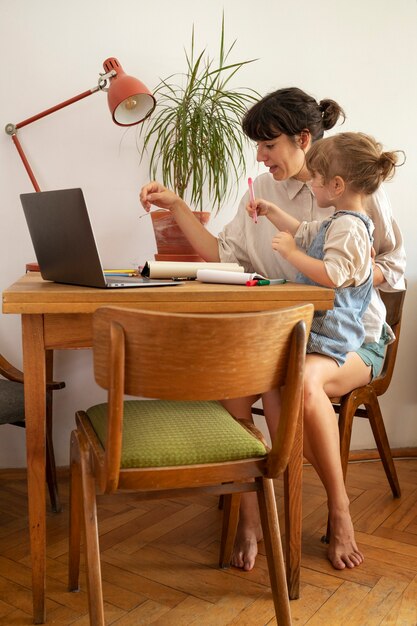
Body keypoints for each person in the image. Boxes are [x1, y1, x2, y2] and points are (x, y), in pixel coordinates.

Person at [139, 87, 406, 572]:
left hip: (350, 339)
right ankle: (251, 513)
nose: (260, 158)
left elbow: (398, 266)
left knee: (301, 381)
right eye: (257, 147)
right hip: (282, 337)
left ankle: (340, 512)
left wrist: (362, 269)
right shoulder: (262, 191)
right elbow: (224, 254)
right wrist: (178, 205)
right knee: (236, 385)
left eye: (269, 145)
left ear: (303, 138)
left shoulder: (354, 190)